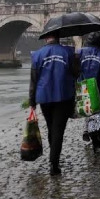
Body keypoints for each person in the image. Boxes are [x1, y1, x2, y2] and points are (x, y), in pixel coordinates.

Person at [29, 33, 78, 175]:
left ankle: (53, 156)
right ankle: (54, 163)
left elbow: (33, 80)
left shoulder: (37, 55)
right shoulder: (68, 52)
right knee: (58, 130)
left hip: (44, 97)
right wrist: (75, 59)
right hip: (63, 96)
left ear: (46, 39)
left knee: (51, 127)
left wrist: (32, 101)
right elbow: (76, 73)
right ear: (59, 38)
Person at [78, 31, 100, 141]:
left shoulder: (80, 53)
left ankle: (86, 129)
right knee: (97, 109)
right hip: (98, 86)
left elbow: (75, 70)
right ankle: (94, 131)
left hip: (82, 85)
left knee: (87, 108)